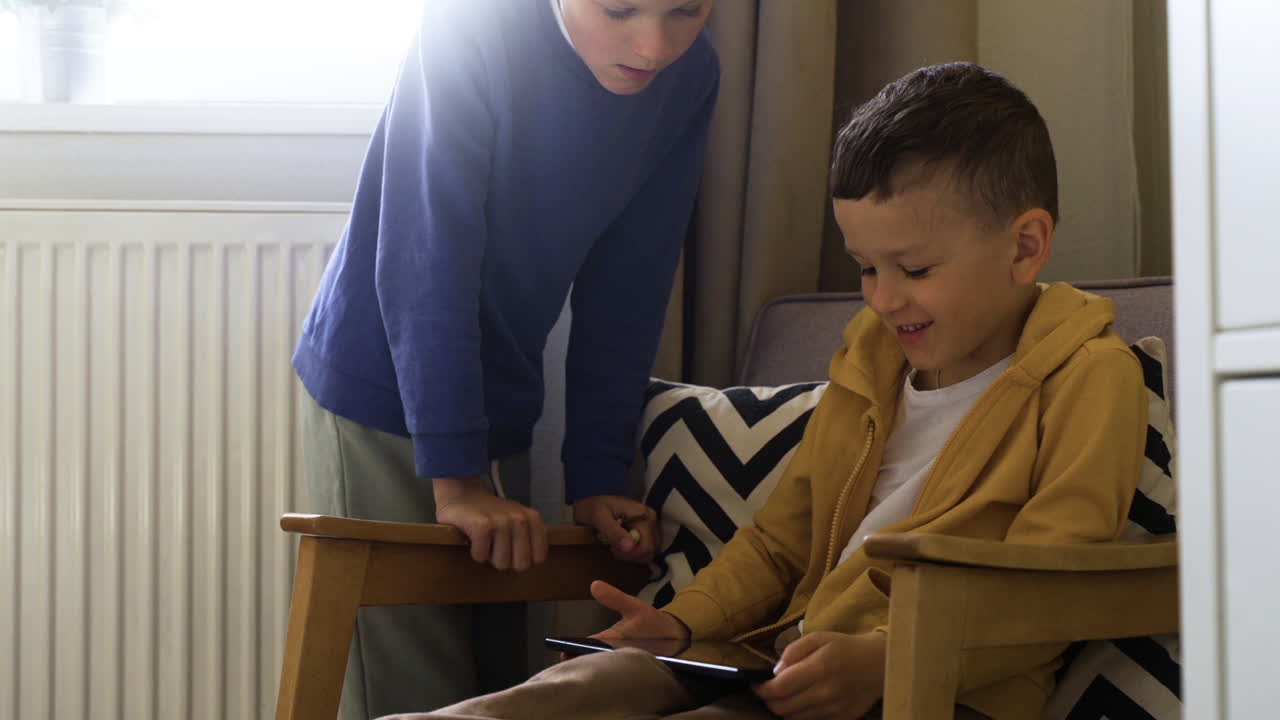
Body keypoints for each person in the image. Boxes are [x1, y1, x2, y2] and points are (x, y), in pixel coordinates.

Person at [381, 61, 1149, 720]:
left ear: (1024, 246)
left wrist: (886, 660)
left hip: (938, 689)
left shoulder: (1090, 377)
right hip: (785, 656)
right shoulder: (871, 358)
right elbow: (782, 542)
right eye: (866, 268)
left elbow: (1046, 590)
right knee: (576, 686)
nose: (883, 300)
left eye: (914, 269)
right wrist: (680, 624)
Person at [292, 0, 719, 716]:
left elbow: (631, 285)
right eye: (619, 9)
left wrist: (597, 476)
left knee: (501, 689)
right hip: (385, 383)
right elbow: (426, 259)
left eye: (686, 10)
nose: (653, 45)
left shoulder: (692, 74)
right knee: (414, 689)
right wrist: (457, 480)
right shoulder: (469, 27)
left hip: (501, 398)